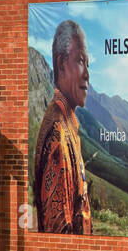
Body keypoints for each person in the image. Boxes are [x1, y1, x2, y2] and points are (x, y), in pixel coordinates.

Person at [34, 19, 93, 234]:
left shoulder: (67, 124)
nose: (87, 74)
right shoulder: (58, 135)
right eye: (80, 61)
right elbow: (58, 233)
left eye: (88, 64)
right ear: (61, 64)